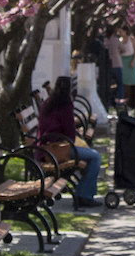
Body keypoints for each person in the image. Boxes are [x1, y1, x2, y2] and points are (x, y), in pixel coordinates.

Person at [40, 76, 103, 209]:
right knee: (95, 157)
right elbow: (70, 134)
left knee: (90, 156)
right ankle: (84, 195)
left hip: (44, 149)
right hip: (59, 150)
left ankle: (83, 193)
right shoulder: (65, 105)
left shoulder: (47, 103)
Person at [120, 30, 135, 109]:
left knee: (133, 80)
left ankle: (134, 102)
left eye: (121, 31)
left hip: (131, 60)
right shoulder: (119, 40)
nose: (120, 33)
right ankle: (126, 102)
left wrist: (133, 61)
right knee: (124, 82)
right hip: (123, 60)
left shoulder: (131, 39)